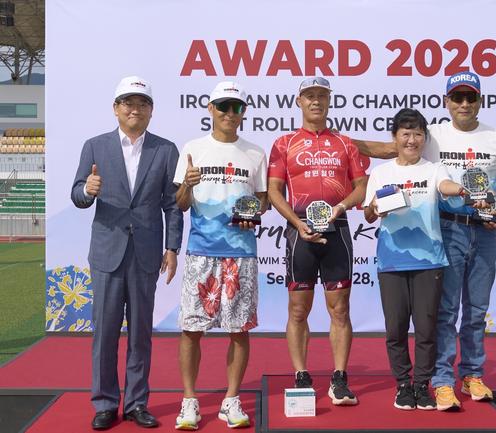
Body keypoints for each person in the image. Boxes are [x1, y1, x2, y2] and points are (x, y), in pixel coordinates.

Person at [353, 71, 496, 411]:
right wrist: (336, 142)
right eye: (457, 97)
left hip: (484, 231)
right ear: (447, 102)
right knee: (445, 311)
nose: (464, 103)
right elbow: (390, 149)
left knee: (477, 310)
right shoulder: (433, 135)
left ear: (480, 101)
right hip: (447, 229)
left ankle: (472, 374)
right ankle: (442, 380)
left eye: (470, 97)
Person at [71, 76, 183, 430]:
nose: (135, 109)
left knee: (140, 334)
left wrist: (172, 248)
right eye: (128, 103)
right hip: (107, 252)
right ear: (115, 108)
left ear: (151, 110)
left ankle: (136, 403)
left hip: (146, 254)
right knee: (104, 333)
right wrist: (87, 190)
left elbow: (172, 205)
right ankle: (105, 403)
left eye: (142, 103)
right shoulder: (95, 146)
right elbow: (77, 194)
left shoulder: (166, 150)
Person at [267, 77, 368, 406]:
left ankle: (339, 378)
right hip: (300, 231)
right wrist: (297, 223)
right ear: (299, 101)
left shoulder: (345, 144)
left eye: (321, 96)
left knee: (340, 309)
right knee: (298, 310)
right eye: (309, 96)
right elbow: (273, 191)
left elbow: (361, 187)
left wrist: (342, 206)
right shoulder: (284, 143)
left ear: (329, 100)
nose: (315, 101)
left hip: (337, 228)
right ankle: (301, 374)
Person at [173, 81, 267, 430]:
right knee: (191, 329)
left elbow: (263, 200)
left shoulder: (255, 152)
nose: (230, 113)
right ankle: (189, 401)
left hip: (241, 254)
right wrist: (188, 184)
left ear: (244, 112)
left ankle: (231, 399)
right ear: (210, 109)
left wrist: (252, 211)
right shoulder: (192, 149)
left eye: (236, 107)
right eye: (224, 106)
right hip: (201, 251)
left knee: (239, 330)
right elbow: (180, 204)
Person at [363, 108, 469, 411]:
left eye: (418, 134)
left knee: (426, 327)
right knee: (395, 328)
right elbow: (369, 213)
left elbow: (445, 187)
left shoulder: (434, 169)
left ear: (424, 138)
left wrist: (460, 189)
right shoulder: (381, 173)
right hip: (391, 262)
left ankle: (422, 385)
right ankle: (402, 385)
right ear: (395, 137)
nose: (412, 140)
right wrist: (376, 206)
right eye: (406, 134)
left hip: (429, 261)